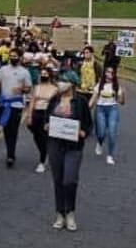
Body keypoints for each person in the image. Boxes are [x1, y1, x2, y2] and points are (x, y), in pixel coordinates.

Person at [44, 69, 92, 232]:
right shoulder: (54, 100)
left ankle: (70, 212)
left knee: (69, 180)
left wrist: (83, 132)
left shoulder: (81, 102)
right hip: (55, 145)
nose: (59, 83)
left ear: (71, 84)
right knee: (58, 180)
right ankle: (60, 213)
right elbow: (46, 119)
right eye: (58, 80)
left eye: (63, 80)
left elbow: (88, 124)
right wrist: (47, 126)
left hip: (73, 147)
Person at [0, 48, 31, 167]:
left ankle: (11, 155)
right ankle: (9, 150)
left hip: (16, 105)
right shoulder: (3, 69)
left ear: (20, 57)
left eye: (15, 56)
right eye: (11, 56)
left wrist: (21, 89)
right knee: (6, 129)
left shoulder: (24, 72)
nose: (13, 58)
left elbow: (28, 88)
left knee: (13, 130)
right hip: (4, 104)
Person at [89, 66, 125, 165]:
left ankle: (110, 155)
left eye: (111, 72)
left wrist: (122, 95)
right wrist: (87, 109)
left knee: (112, 133)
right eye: (108, 72)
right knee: (101, 132)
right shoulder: (99, 85)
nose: (109, 74)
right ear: (104, 73)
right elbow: (93, 98)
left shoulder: (116, 86)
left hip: (113, 109)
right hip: (100, 108)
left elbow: (121, 102)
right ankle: (100, 143)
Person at [26, 66, 58, 173]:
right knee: (37, 136)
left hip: (47, 114)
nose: (43, 75)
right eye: (42, 73)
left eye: (46, 73)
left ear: (50, 75)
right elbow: (32, 102)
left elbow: (56, 105)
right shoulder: (37, 87)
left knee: (45, 137)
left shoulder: (54, 89)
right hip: (37, 113)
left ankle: (42, 161)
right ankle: (45, 152)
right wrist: (29, 115)